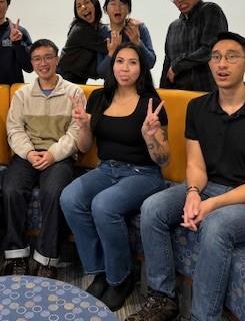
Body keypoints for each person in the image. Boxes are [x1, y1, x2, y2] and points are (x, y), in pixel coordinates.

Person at [127, 31, 245, 321]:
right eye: (216, 57)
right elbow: (197, 167)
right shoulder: (198, 108)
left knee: (214, 226)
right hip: (207, 187)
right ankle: (163, 298)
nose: (222, 64)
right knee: (152, 208)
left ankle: (203, 317)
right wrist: (192, 193)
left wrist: (210, 204)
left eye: (231, 57)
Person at [60, 42, 170, 311]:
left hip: (144, 173)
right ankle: (101, 271)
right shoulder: (99, 98)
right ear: (112, 65)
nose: (125, 68)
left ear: (141, 68)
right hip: (107, 169)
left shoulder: (151, 103)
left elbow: (164, 158)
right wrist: (84, 126)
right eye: (120, 61)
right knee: (70, 197)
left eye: (133, 62)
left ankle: (121, 278)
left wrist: (149, 137)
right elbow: (86, 147)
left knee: (104, 205)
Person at [2, 39, 83, 279]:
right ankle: (17, 256)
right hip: (28, 154)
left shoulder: (73, 92)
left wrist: (53, 154)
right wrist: (28, 153)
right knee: (11, 189)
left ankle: (47, 260)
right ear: (32, 63)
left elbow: (76, 130)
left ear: (57, 59)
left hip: (59, 156)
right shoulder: (22, 94)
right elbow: (14, 129)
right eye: (37, 59)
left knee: (53, 192)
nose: (43, 63)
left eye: (48, 57)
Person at [160, 0, 228, 92]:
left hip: (206, 93)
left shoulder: (211, 10)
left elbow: (210, 49)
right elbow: (167, 62)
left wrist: (177, 66)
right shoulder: (173, 27)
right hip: (178, 94)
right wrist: (162, 93)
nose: (179, 0)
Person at [97, 0, 156, 78]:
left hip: (138, 87)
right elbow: (101, 73)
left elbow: (150, 63)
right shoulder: (102, 33)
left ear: (129, 10)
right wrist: (112, 52)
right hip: (112, 88)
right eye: (113, 3)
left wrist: (137, 42)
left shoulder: (139, 28)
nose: (118, 8)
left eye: (122, 4)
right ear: (105, 9)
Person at [57, 0, 107, 84]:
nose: (83, 7)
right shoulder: (81, 29)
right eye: (78, 6)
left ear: (95, 4)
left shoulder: (94, 27)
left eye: (86, 2)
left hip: (74, 80)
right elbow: (108, 47)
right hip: (64, 79)